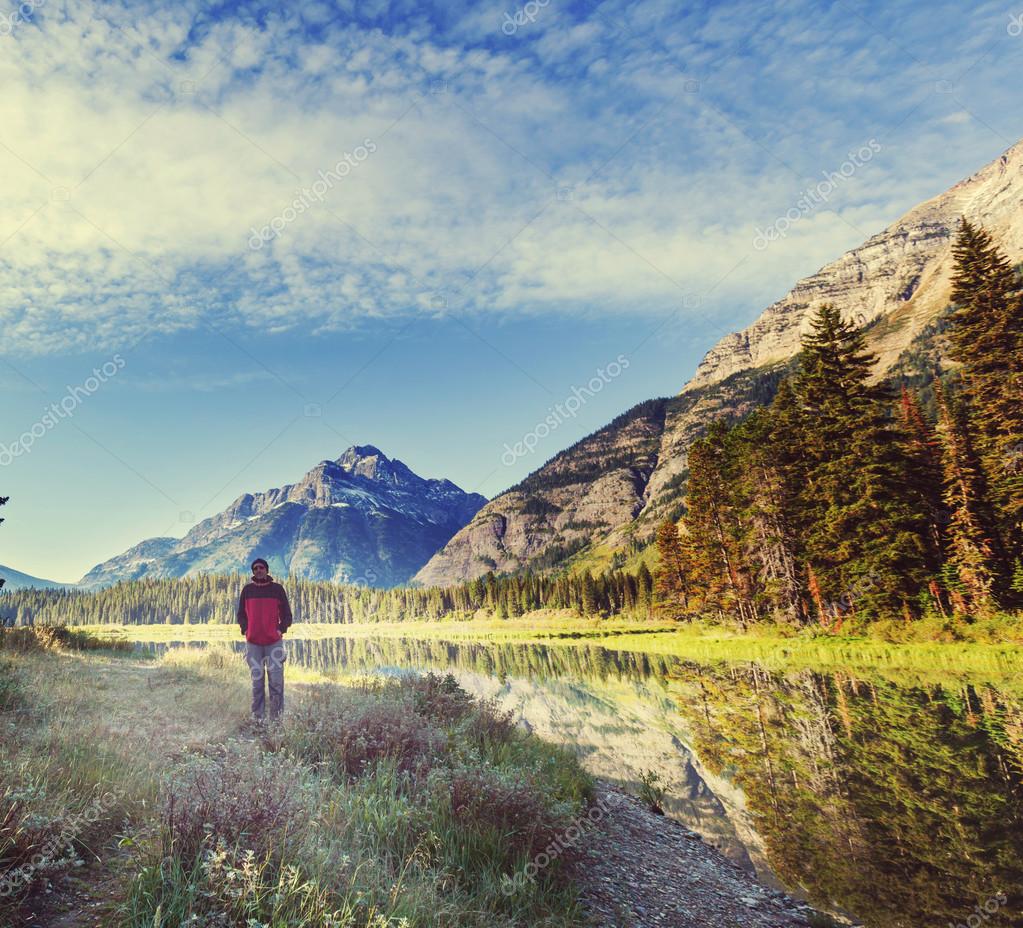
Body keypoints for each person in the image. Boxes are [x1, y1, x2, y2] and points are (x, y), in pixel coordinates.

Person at [237, 558, 292, 722]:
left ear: (267, 570)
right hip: (253, 643)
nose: (258, 570)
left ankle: (276, 720)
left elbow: (287, 615)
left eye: (261, 567)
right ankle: (258, 719)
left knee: (276, 682)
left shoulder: (277, 589)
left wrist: (280, 629)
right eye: (255, 568)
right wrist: (246, 630)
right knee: (257, 683)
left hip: (273, 643)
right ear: (252, 572)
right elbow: (241, 615)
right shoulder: (247, 590)